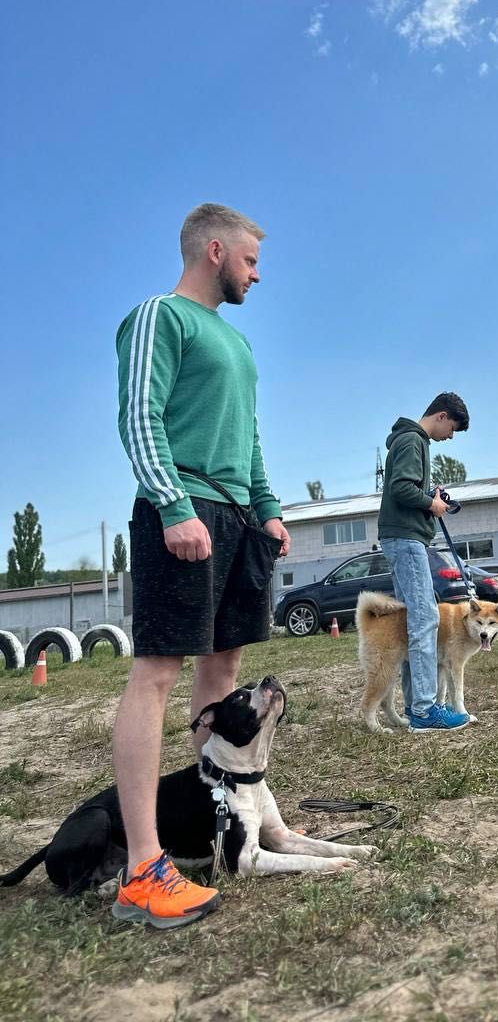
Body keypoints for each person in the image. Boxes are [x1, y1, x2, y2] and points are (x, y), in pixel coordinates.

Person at [113, 203, 290, 929]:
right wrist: (172, 504)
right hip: (179, 512)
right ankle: (143, 868)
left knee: (221, 674)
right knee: (157, 672)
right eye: (250, 260)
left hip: (236, 520)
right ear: (214, 250)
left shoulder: (239, 346)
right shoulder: (162, 316)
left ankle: (223, 824)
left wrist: (268, 507)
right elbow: (139, 414)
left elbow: (248, 438)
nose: (257, 273)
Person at [378, 392, 472, 731]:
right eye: (452, 430)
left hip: (402, 536)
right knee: (424, 619)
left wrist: (429, 495)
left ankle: (417, 706)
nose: (450, 437)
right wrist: (432, 505)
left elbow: (406, 488)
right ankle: (424, 709)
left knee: (413, 621)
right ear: (442, 416)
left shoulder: (409, 442)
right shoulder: (412, 441)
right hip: (406, 538)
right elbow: (401, 489)